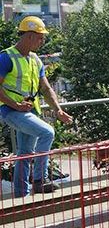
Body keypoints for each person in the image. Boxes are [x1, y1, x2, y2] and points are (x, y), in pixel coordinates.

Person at [0, 16, 73, 197]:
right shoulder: (6, 58)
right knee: (47, 132)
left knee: (24, 153)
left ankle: (20, 195)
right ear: (30, 36)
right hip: (11, 111)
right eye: (40, 37)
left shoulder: (35, 60)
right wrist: (15, 104)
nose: (43, 41)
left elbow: (46, 88)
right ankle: (40, 180)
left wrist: (58, 109)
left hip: (29, 111)